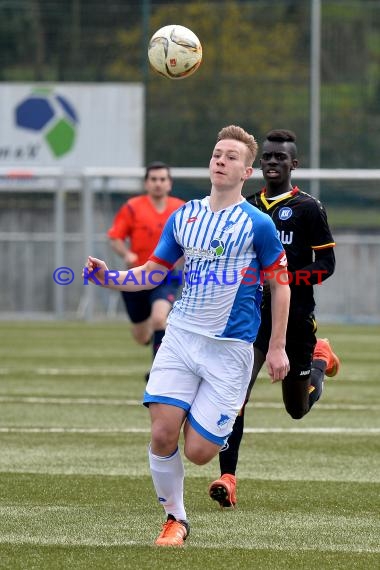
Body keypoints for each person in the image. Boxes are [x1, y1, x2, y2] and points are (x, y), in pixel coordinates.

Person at [83, 125, 291, 546]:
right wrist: (110, 278)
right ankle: (175, 519)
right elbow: (152, 273)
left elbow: (281, 283)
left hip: (230, 350)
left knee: (198, 453)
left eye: (232, 156)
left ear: (247, 171)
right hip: (181, 338)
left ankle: (214, 417)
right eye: (217, 153)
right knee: (161, 433)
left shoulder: (258, 224)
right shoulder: (185, 216)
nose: (221, 160)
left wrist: (276, 347)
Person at [208, 129, 340, 509]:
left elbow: (327, 263)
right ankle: (228, 478)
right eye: (267, 156)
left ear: (293, 164)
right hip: (251, 323)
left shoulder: (308, 209)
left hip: (295, 320)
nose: (272, 162)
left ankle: (320, 358)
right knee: (235, 395)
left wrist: (285, 279)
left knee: (297, 409)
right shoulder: (246, 206)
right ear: (257, 164)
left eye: (280, 157)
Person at [107, 162, 185, 379]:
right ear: (146, 183)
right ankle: (152, 336)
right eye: (153, 179)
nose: (158, 184)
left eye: (162, 179)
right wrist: (126, 254)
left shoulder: (181, 208)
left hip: (167, 275)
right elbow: (115, 238)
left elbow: (192, 238)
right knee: (141, 336)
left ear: (169, 184)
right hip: (137, 276)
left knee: (160, 319)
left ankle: (158, 372)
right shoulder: (132, 207)